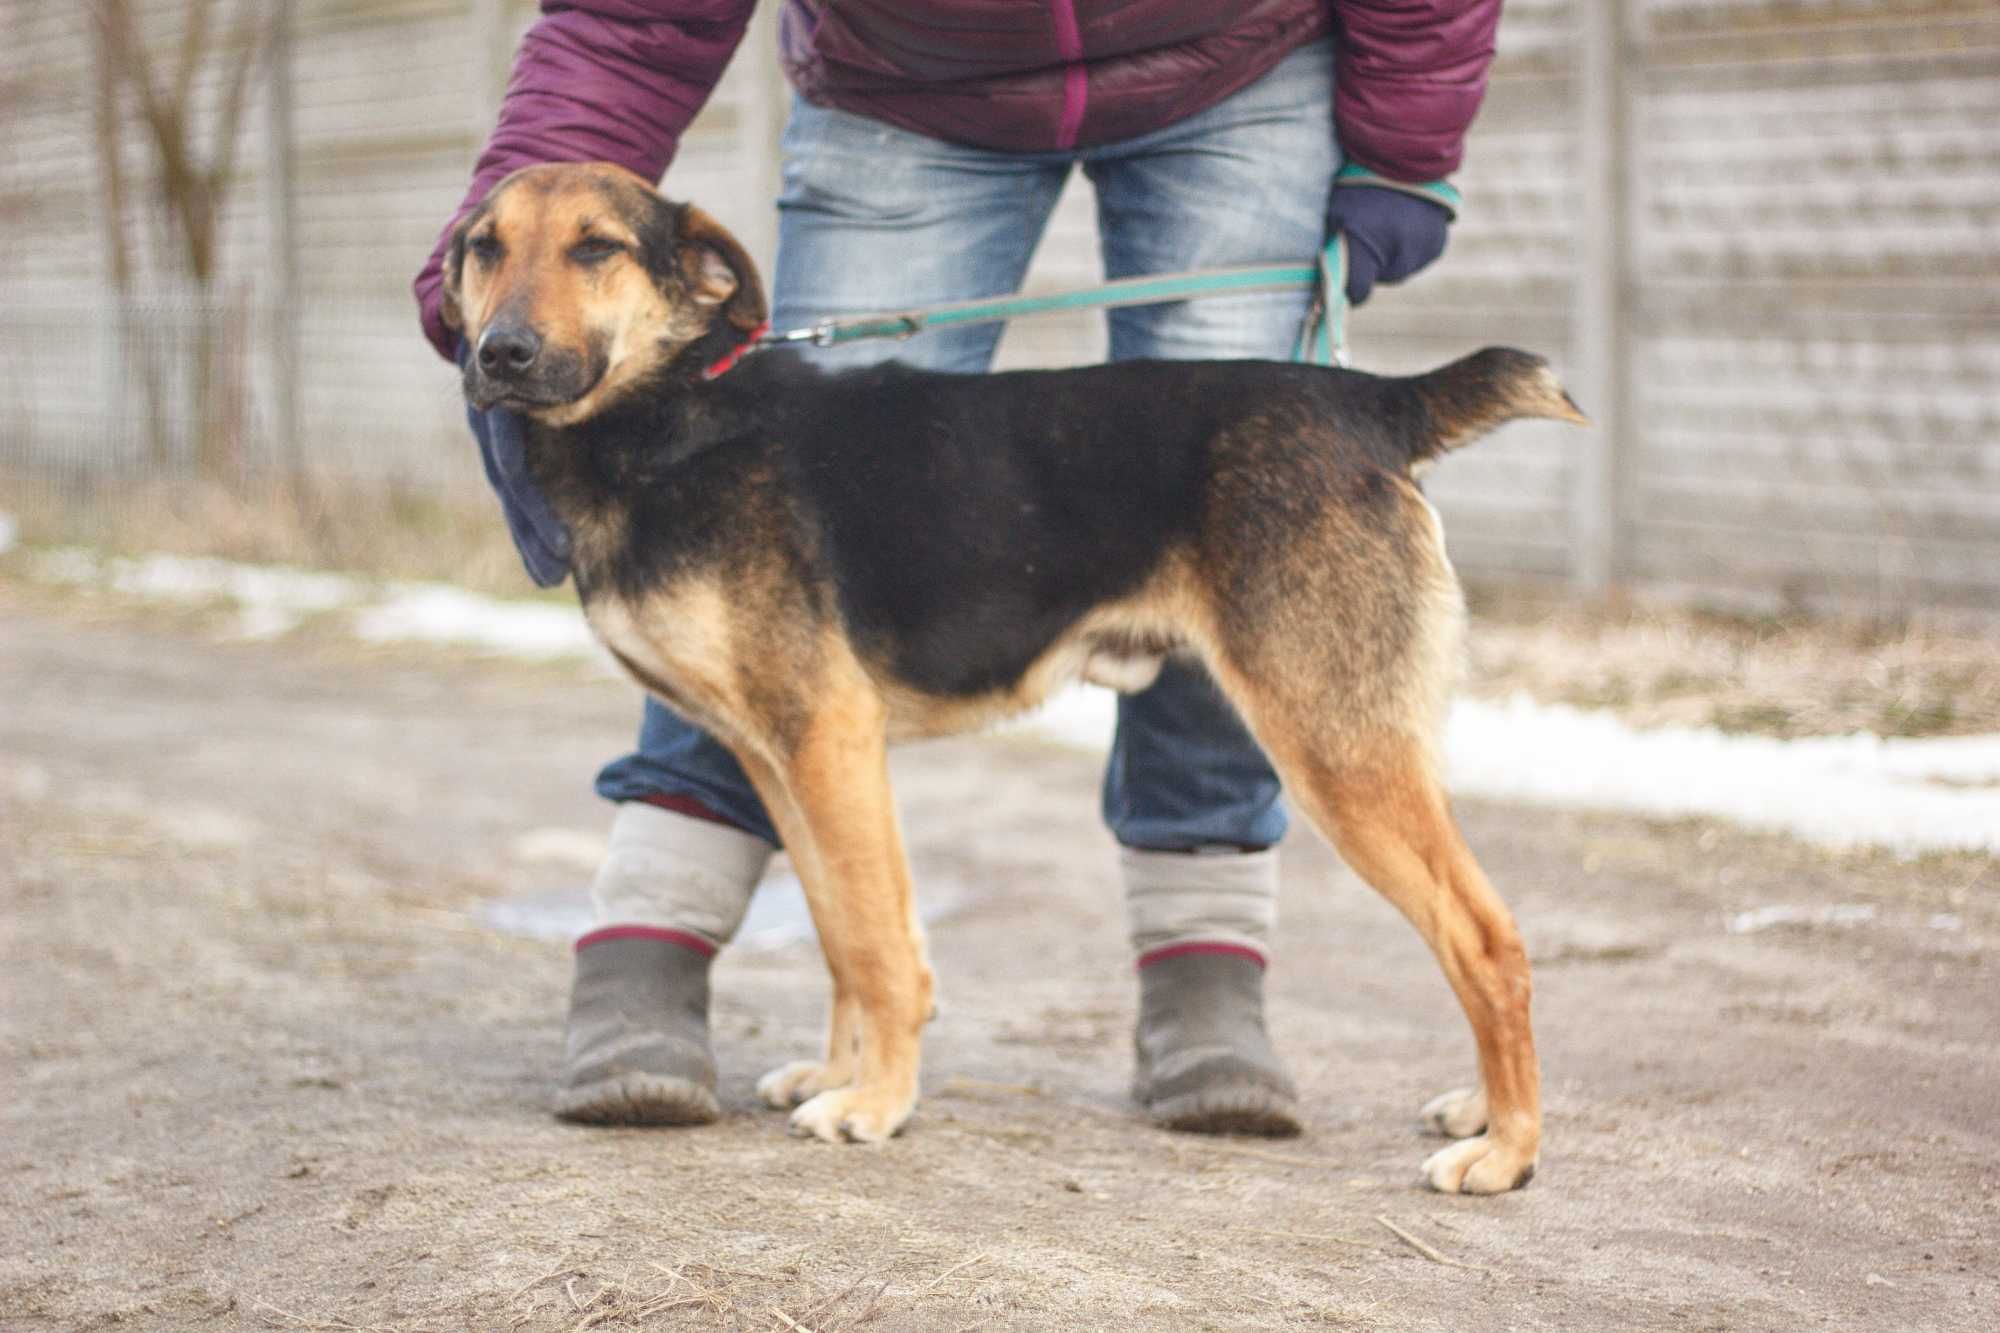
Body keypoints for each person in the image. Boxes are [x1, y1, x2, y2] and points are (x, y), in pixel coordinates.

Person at [415, 0, 1501, 1137]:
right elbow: (622, 19)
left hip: (1238, 70)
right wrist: (494, 307)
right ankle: (662, 932)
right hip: (905, 82)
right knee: (764, 656)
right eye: (488, 259)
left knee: (1239, 529)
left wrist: (1406, 144)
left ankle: (1203, 963)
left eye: (589, 253)